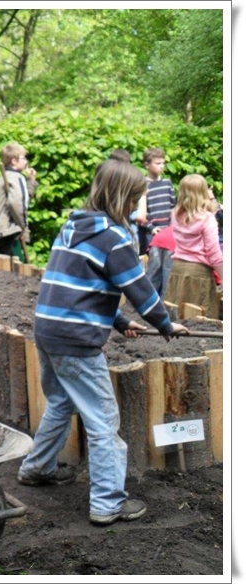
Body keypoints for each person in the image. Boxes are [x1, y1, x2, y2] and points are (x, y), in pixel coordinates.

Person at [17, 159, 188, 526]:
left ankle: (36, 467)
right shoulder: (114, 238)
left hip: (48, 329)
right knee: (103, 419)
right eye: (136, 199)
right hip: (75, 340)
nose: (137, 207)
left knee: (61, 401)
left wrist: (120, 320)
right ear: (124, 196)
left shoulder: (72, 227)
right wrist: (165, 324)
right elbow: (139, 289)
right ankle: (108, 502)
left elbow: (80, 288)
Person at [164, 174, 224, 320]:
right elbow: (214, 253)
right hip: (198, 273)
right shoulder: (207, 219)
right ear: (203, 193)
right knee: (200, 319)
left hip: (177, 268)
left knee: (177, 317)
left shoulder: (175, 214)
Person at [0, 142, 38, 262]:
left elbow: (20, 199)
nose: (26, 162)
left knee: (4, 269)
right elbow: (18, 205)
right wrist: (24, 229)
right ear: (14, 161)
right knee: (17, 269)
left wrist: (31, 182)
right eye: (23, 158)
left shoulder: (4, 177)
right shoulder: (16, 177)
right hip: (7, 232)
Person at [135, 147, 176, 295]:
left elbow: (173, 206)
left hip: (169, 232)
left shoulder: (167, 183)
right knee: (154, 266)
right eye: (157, 163)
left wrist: (173, 226)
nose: (162, 166)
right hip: (151, 233)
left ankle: (165, 299)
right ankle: (149, 299)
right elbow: (139, 215)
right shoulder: (142, 185)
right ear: (147, 165)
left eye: (163, 163)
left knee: (168, 267)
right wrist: (151, 228)